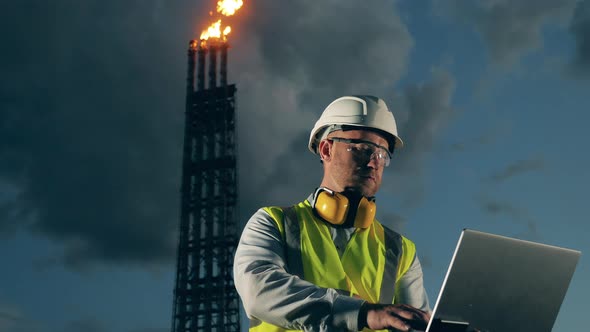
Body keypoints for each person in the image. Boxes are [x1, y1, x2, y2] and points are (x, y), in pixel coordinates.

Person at [233, 95, 431, 332]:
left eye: (382, 154)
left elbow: (418, 326)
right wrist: (361, 313)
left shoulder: (401, 251)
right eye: (363, 149)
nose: (373, 163)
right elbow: (258, 290)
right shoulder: (273, 223)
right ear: (326, 149)